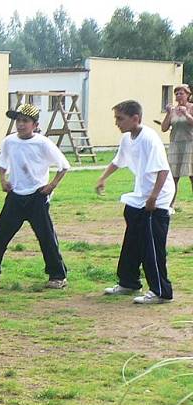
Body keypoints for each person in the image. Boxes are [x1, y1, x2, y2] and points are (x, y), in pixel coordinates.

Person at [0, 103, 71, 289]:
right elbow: (3, 162)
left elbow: (64, 166)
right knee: (0, 235)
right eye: (18, 120)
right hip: (15, 196)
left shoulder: (42, 143)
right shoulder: (9, 142)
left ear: (35, 125)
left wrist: (51, 185)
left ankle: (57, 275)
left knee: (46, 237)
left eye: (25, 121)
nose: (20, 124)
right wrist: (3, 179)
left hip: (37, 196)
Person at [96, 100, 175, 304]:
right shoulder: (127, 138)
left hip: (157, 197)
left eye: (120, 119)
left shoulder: (149, 139)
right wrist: (103, 178)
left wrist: (154, 198)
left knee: (152, 245)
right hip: (140, 195)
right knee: (132, 240)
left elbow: (163, 170)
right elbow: (118, 161)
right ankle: (129, 281)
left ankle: (161, 291)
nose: (117, 123)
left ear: (135, 118)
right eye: (116, 118)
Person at [160, 84, 193, 211]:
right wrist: (168, 114)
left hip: (190, 145)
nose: (178, 96)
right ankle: (169, 205)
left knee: (192, 176)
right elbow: (163, 128)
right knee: (173, 177)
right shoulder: (173, 110)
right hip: (175, 145)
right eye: (177, 94)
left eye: (181, 93)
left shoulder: (191, 107)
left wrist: (186, 114)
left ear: (188, 95)